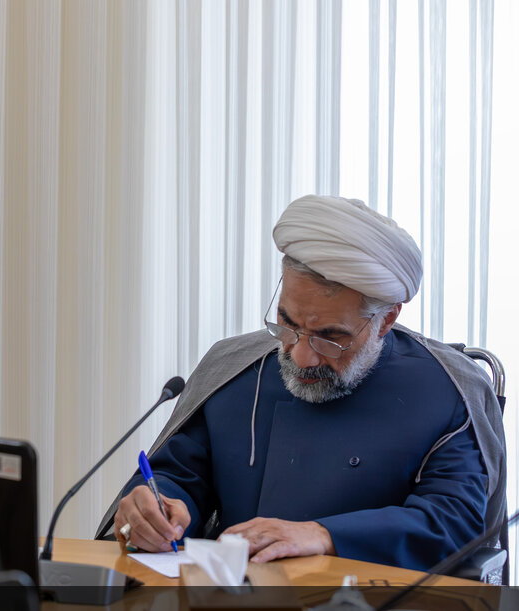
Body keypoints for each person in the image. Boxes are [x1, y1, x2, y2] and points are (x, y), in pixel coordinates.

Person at [98, 195, 505, 571]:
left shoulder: (446, 390)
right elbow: (180, 475)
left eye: (331, 337)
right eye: (287, 324)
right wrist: (155, 507)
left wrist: (324, 535)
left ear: (387, 319)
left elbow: (452, 520)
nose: (301, 356)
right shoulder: (234, 367)